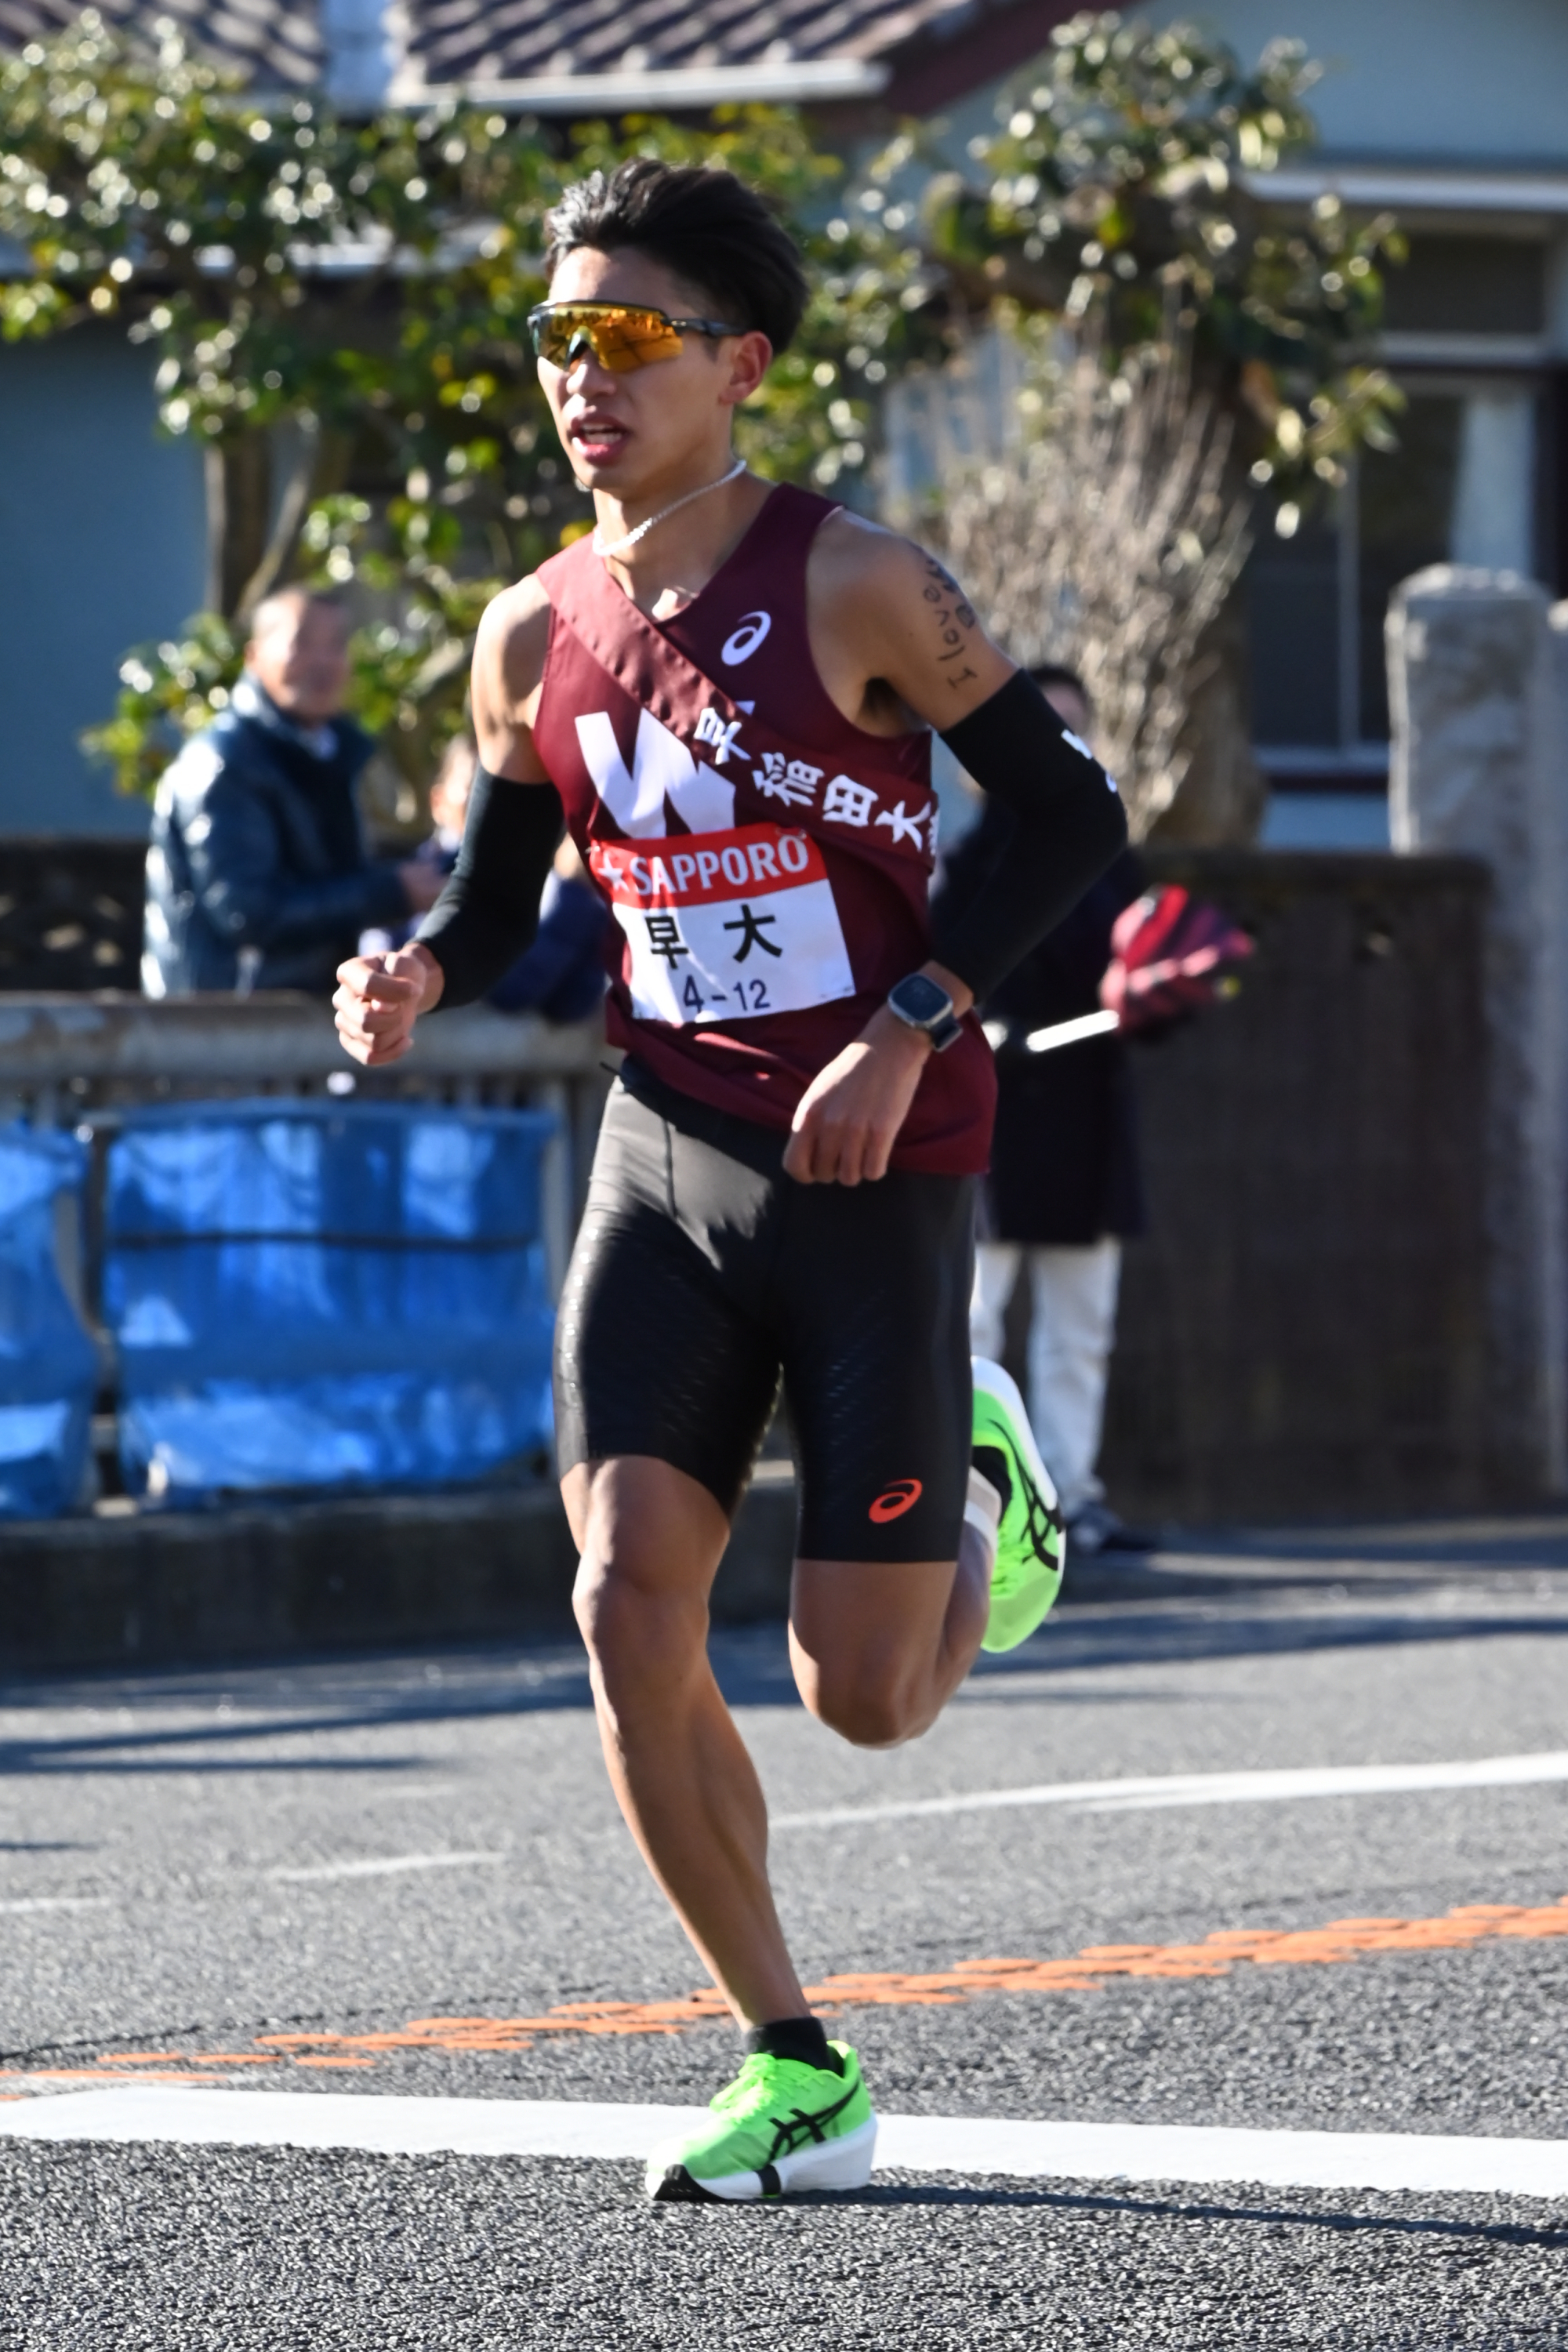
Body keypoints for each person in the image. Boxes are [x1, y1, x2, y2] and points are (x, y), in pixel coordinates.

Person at [333, 158, 1126, 2203]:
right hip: (667, 1151)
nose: (580, 376)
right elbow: (501, 895)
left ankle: (982, 1482)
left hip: (872, 1161)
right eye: (557, 337)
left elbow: (1071, 818)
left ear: (739, 365)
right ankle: (795, 2059)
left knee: (864, 1702)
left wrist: (915, 1019)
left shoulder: (858, 580)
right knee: (622, 1600)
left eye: (627, 338)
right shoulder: (529, 628)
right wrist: (418, 969)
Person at [942, 666, 1155, 1558]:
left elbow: (1145, 970)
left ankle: (1072, 1497)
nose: (1060, 746)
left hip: (1087, 1114)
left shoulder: (1110, 856)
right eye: (1045, 726)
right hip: (990, 1119)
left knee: (1080, 1328)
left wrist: (1162, 995)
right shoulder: (969, 860)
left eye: (1075, 728)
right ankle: (966, 1497)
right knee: (973, 1319)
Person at [142, 587, 442, 997]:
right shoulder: (225, 762)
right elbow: (247, 913)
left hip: (305, 1009)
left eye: (335, 645)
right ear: (254, 656)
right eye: (301, 643)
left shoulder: (331, 752)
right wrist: (389, 893)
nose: (323, 662)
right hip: (225, 1018)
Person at [361, 734, 613, 1025]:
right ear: (438, 802)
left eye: (518, 794)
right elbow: (510, 991)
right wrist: (570, 892)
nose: (496, 806)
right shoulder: (408, 889)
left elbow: (575, 1003)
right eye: (476, 789)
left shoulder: (540, 881)